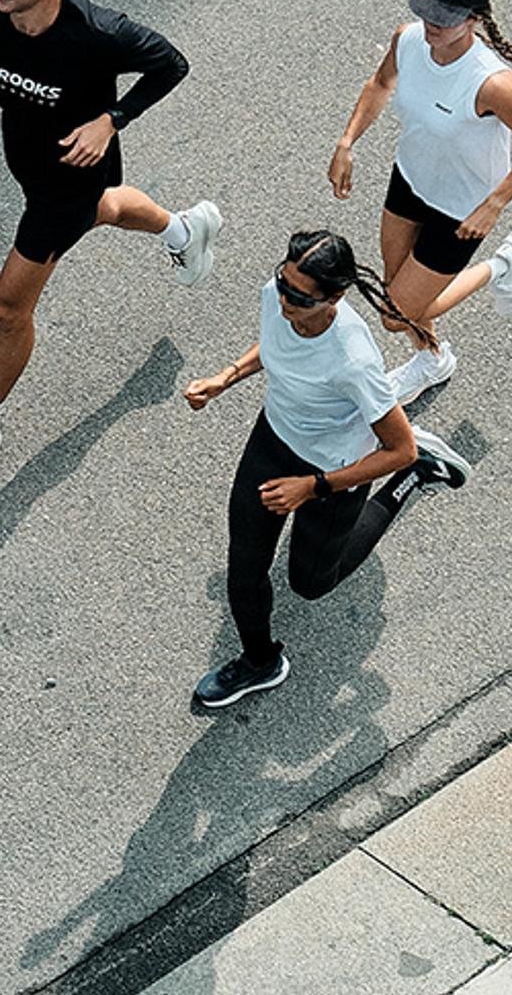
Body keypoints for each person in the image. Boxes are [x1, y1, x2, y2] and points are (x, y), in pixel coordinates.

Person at [0, 0, 221, 488]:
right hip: (28, 157)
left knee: (8, 308)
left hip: (69, 175)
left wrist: (111, 119)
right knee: (104, 209)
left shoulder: (99, 33)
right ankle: (186, 230)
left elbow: (172, 64)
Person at [182, 232, 472, 707]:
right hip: (274, 440)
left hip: (334, 466)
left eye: (298, 296)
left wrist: (312, 487)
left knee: (311, 584)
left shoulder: (353, 360)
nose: (283, 299)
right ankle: (260, 663)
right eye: (283, 282)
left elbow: (394, 447)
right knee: (245, 567)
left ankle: (417, 477)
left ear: (334, 297)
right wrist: (225, 377)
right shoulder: (277, 298)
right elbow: (276, 346)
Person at [327, 0, 512, 403]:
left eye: (444, 18)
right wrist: (347, 143)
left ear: (474, 19)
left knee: (395, 314)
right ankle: (432, 359)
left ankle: (502, 265)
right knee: (396, 284)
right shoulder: (407, 40)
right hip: (410, 179)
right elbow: (380, 84)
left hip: (461, 208)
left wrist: (493, 205)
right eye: (427, 11)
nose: (430, 25)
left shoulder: (491, 84)